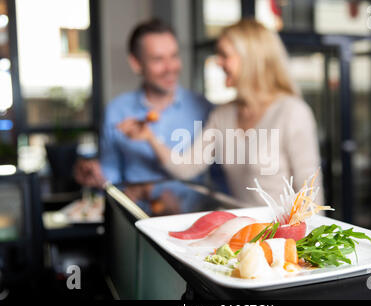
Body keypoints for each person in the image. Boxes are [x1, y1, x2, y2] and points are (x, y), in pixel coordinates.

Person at [119, 19, 323, 206]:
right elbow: (186, 168)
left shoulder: (292, 112)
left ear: (250, 58)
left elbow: (311, 196)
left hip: (283, 239)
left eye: (224, 55)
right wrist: (150, 138)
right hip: (242, 236)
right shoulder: (222, 115)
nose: (218, 62)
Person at [74, 18, 223, 214]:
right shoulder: (117, 111)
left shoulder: (205, 109)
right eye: (158, 59)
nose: (170, 67)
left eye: (174, 56)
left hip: (192, 221)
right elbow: (111, 178)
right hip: (135, 221)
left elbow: (220, 180)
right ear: (136, 63)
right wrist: (93, 175)